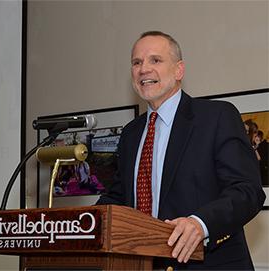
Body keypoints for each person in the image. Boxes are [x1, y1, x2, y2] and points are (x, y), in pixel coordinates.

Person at [96, 31, 265, 270]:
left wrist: (201, 223)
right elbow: (118, 199)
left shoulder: (216, 117)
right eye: (137, 62)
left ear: (179, 71)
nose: (144, 69)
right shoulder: (131, 133)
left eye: (155, 60)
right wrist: (77, 224)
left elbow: (248, 192)